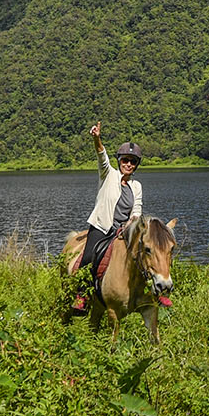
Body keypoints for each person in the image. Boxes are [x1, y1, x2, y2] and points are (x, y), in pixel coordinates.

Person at [69, 123, 147, 314]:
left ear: (136, 165)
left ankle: (150, 292)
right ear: (119, 160)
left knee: (146, 255)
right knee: (88, 258)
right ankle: (82, 296)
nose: (128, 164)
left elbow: (136, 210)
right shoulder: (108, 174)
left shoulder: (136, 186)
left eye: (133, 161)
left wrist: (131, 223)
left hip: (123, 232)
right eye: (125, 160)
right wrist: (96, 138)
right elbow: (101, 156)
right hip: (102, 227)